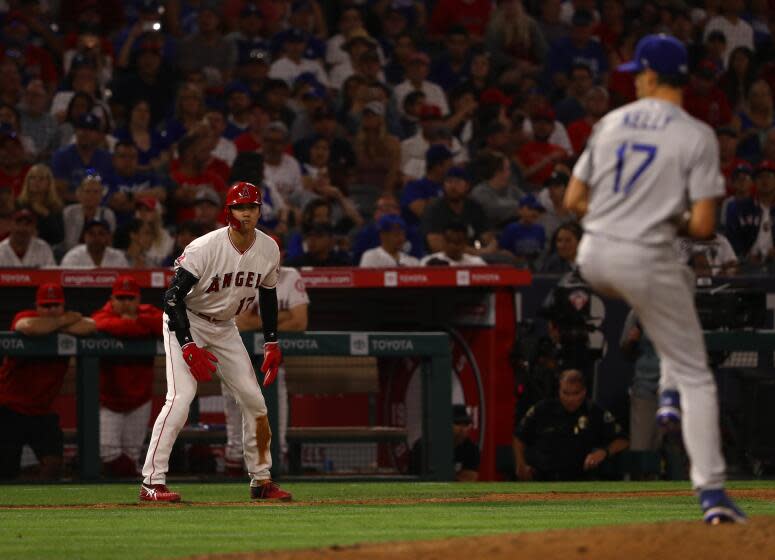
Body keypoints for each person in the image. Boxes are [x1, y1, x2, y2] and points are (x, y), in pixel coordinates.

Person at [563, 34, 746, 523]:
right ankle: (712, 494)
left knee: (675, 286)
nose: (636, 81)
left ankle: (665, 388)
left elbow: (572, 201)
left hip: (595, 254)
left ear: (648, 75)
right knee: (699, 378)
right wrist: (666, 215)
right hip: (644, 255)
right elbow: (705, 228)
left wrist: (620, 212)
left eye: (638, 75)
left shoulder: (610, 122)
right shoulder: (696, 134)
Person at [140, 181, 291, 502]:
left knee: (254, 400)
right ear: (229, 211)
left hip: (224, 327)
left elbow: (268, 293)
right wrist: (186, 344)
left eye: (252, 207)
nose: (246, 213)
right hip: (187, 320)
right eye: (240, 207)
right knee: (181, 399)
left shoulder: (269, 248)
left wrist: (271, 342)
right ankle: (151, 481)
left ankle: (261, 480)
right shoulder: (204, 247)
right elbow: (171, 299)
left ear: (260, 210)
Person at [0, 283, 95, 480]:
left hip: (42, 412)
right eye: (46, 306)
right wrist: (64, 320)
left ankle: (40, 504)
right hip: (9, 409)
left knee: (53, 465)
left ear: (63, 305)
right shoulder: (26, 316)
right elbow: (28, 327)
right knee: (6, 471)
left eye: (55, 305)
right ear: (36, 306)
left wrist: (57, 323)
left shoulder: (64, 322)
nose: (51, 310)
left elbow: (90, 325)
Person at [233, 258, 310, 475]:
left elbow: (300, 322)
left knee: (277, 427)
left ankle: (273, 471)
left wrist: (262, 320)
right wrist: (281, 316)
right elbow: (242, 323)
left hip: (273, 363)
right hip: (238, 360)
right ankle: (232, 473)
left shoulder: (290, 276)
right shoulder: (245, 275)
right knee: (235, 434)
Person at [92, 276, 163, 477]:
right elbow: (101, 323)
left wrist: (136, 321)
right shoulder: (103, 314)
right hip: (109, 399)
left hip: (139, 399)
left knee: (131, 454)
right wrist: (138, 327)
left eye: (130, 298)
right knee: (108, 453)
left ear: (138, 300)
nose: (125, 303)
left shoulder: (147, 312)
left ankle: (125, 499)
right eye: (120, 298)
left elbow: (164, 323)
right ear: (112, 300)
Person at [513, 369, 628, 482]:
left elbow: (623, 440)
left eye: (576, 393)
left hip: (581, 481)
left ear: (584, 391)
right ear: (559, 390)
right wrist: (521, 464)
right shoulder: (542, 410)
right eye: (566, 393)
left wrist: (603, 452)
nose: (570, 399)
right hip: (542, 479)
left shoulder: (595, 413)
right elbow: (519, 436)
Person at [60, 219, 129, 268]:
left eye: (101, 233)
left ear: (108, 237)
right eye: (91, 233)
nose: (96, 238)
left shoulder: (118, 257)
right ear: (85, 237)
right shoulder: (73, 257)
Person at [420, 222, 486, 266]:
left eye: (457, 242)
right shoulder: (428, 262)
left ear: (466, 242)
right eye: (449, 241)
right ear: (443, 241)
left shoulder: (477, 263)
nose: (453, 246)